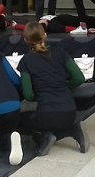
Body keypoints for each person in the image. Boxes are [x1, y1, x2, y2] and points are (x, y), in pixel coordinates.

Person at [17, 22, 88, 156]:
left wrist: (42, 93)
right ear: (45, 36)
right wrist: (64, 87)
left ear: (25, 40)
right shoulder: (60, 52)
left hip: (46, 116)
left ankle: (44, 137)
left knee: (16, 120)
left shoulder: (26, 61)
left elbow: (28, 95)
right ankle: (72, 130)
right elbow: (79, 78)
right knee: (53, 122)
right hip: (70, 114)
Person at [10, 14, 95, 35]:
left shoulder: (39, 26)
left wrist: (16, 26)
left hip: (72, 18)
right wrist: (86, 30)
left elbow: (29, 27)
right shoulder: (54, 27)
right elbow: (69, 29)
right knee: (92, 21)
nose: (44, 19)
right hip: (76, 21)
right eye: (44, 21)